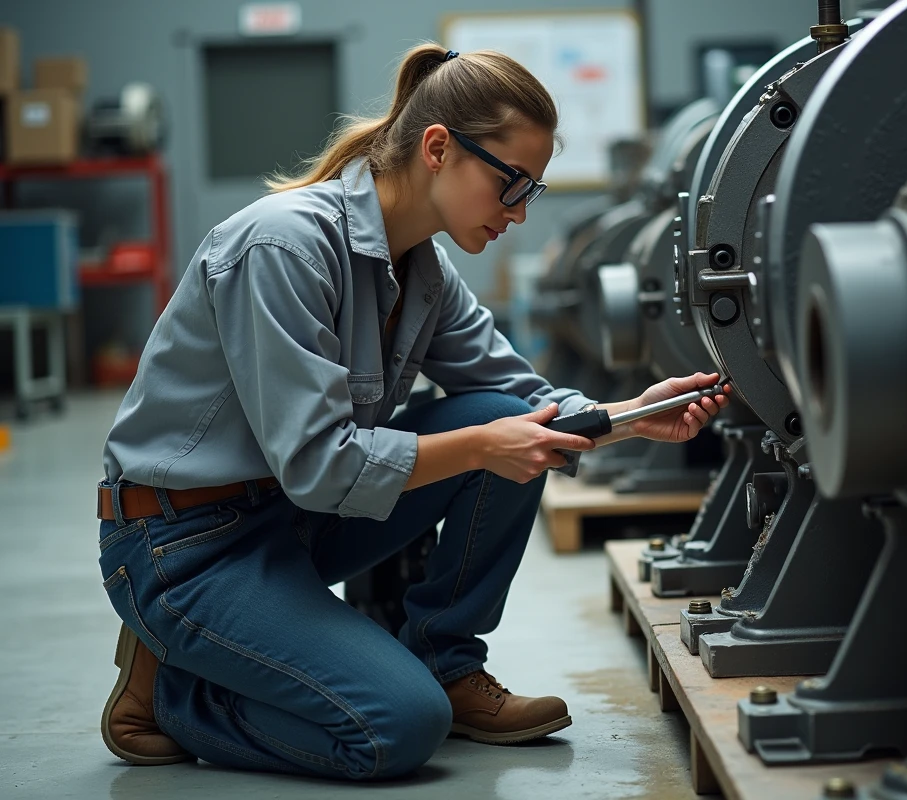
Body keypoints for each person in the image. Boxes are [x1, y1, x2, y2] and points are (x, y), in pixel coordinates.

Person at [95, 44, 730, 781]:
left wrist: (626, 416)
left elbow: (518, 397)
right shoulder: (284, 246)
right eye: (511, 183)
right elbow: (319, 466)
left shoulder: (425, 272)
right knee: (396, 727)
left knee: (497, 410)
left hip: (290, 521)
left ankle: (444, 663)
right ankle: (173, 692)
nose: (519, 212)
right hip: (186, 547)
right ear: (437, 149)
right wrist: (482, 445)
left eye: (532, 190)